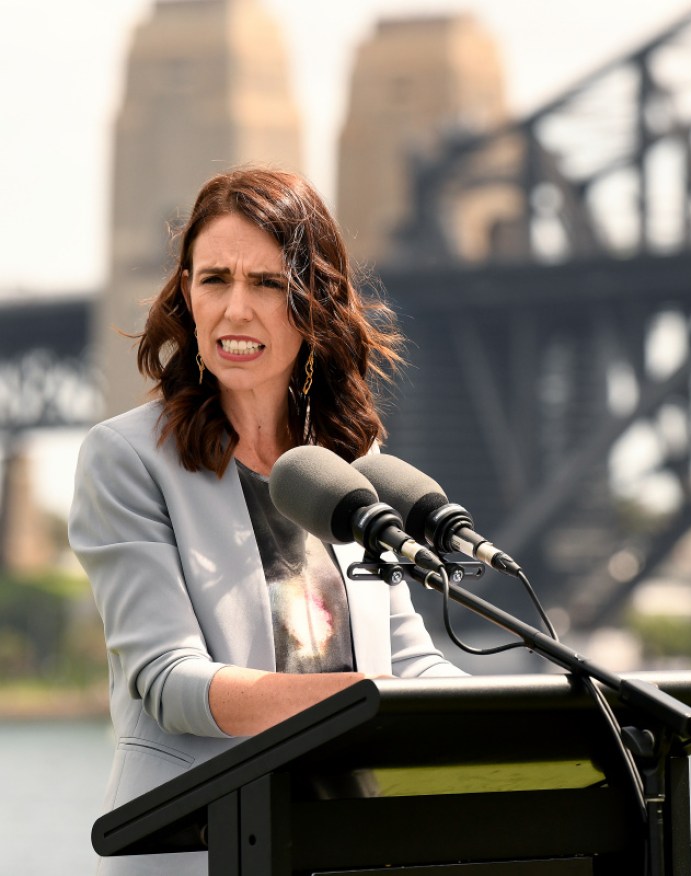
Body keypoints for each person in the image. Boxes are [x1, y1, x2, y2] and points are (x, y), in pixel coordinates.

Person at [69, 167, 465, 875]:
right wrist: (359, 701)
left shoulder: (350, 464)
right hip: (200, 847)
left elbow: (408, 659)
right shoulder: (126, 459)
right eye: (214, 279)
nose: (234, 310)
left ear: (315, 303)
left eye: (268, 284)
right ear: (185, 295)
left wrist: (516, 715)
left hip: (349, 846)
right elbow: (170, 682)